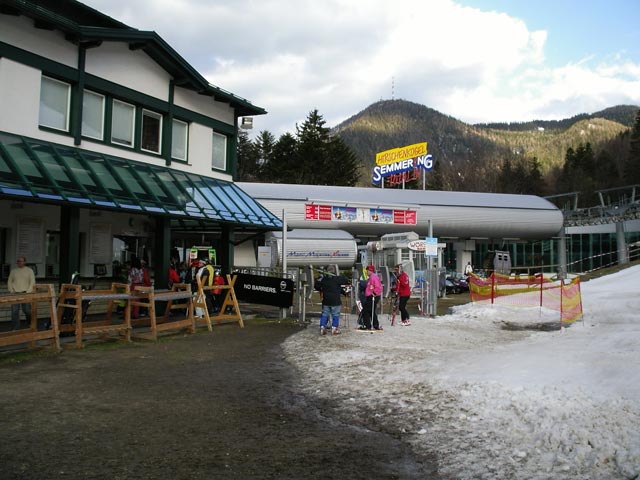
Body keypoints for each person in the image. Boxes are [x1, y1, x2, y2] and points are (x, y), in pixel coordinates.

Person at [317, 265, 350, 335]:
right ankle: (334, 328)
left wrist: (320, 282)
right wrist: (341, 275)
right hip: (335, 301)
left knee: (325, 314)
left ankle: (322, 327)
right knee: (335, 314)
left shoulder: (324, 279)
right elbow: (346, 280)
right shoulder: (337, 279)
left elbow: (317, 286)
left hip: (326, 300)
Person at [7, 256, 36, 330]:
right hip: (15, 293)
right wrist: (11, 290)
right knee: (14, 311)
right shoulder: (13, 271)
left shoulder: (29, 270)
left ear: (24, 262)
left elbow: (32, 281)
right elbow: (9, 281)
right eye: (18, 261)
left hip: (25, 292)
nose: (20, 262)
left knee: (27, 310)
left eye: (21, 261)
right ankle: (15, 328)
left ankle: (30, 323)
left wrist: (28, 292)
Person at [360, 264, 383, 331]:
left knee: (365, 311)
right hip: (371, 296)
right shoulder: (371, 277)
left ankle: (368, 325)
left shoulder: (374, 277)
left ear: (370, 271)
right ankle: (375, 325)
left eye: (367, 271)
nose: (366, 272)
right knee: (371, 311)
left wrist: (374, 293)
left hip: (372, 296)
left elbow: (378, 287)